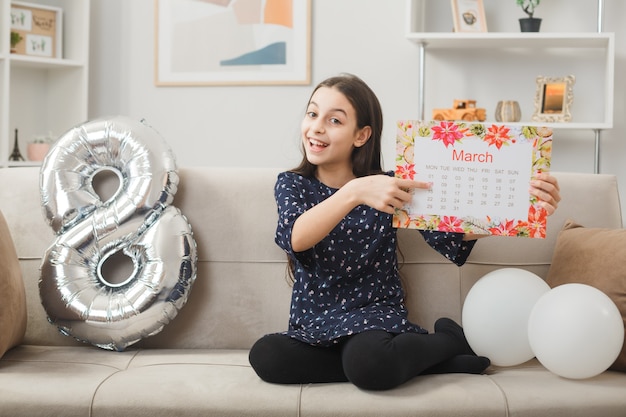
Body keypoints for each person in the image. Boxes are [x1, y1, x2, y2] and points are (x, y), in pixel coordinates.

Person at [248, 73, 561, 391]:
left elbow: (449, 235)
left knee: (370, 362)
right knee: (266, 356)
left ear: (361, 135)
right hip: (315, 324)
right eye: (313, 114)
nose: (316, 127)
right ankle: (439, 356)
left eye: (334, 120)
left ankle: (431, 348)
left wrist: (523, 207)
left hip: (372, 317)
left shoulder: (390, 186)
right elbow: (294, 238)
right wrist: (355, 191)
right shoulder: (293, 184)